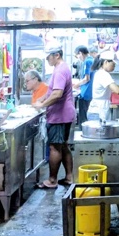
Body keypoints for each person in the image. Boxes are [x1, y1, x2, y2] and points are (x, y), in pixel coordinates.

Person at [33, 47, 75, 189]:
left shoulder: (60, 71)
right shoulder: (60, 69)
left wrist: (42, 105)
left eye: (48, 57)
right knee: (63, 146)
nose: (47, 60)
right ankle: (69, 177)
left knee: (55, 148)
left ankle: (52, 181)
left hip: (59, 116)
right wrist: (41, 100)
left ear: (56, 55)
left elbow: (57, 94)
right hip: (63, 114)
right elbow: (51, 91)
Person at [88, 51, 119, 122]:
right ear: (106, 62)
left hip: (98, 111)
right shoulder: (103, 74)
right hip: (97, 112)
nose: (114, 66)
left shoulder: (101, 73)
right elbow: (117, 90)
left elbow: (115, 86)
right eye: (113, 64)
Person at [72, 46, 94, 125]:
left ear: (80, 53)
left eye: (77, 56)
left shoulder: (87, 62)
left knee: (83, 117)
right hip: (90, 92)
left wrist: (75, 85)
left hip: (86, 93)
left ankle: (83, 132)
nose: (78, 58)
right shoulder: (92, 60)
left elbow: (86, 79)